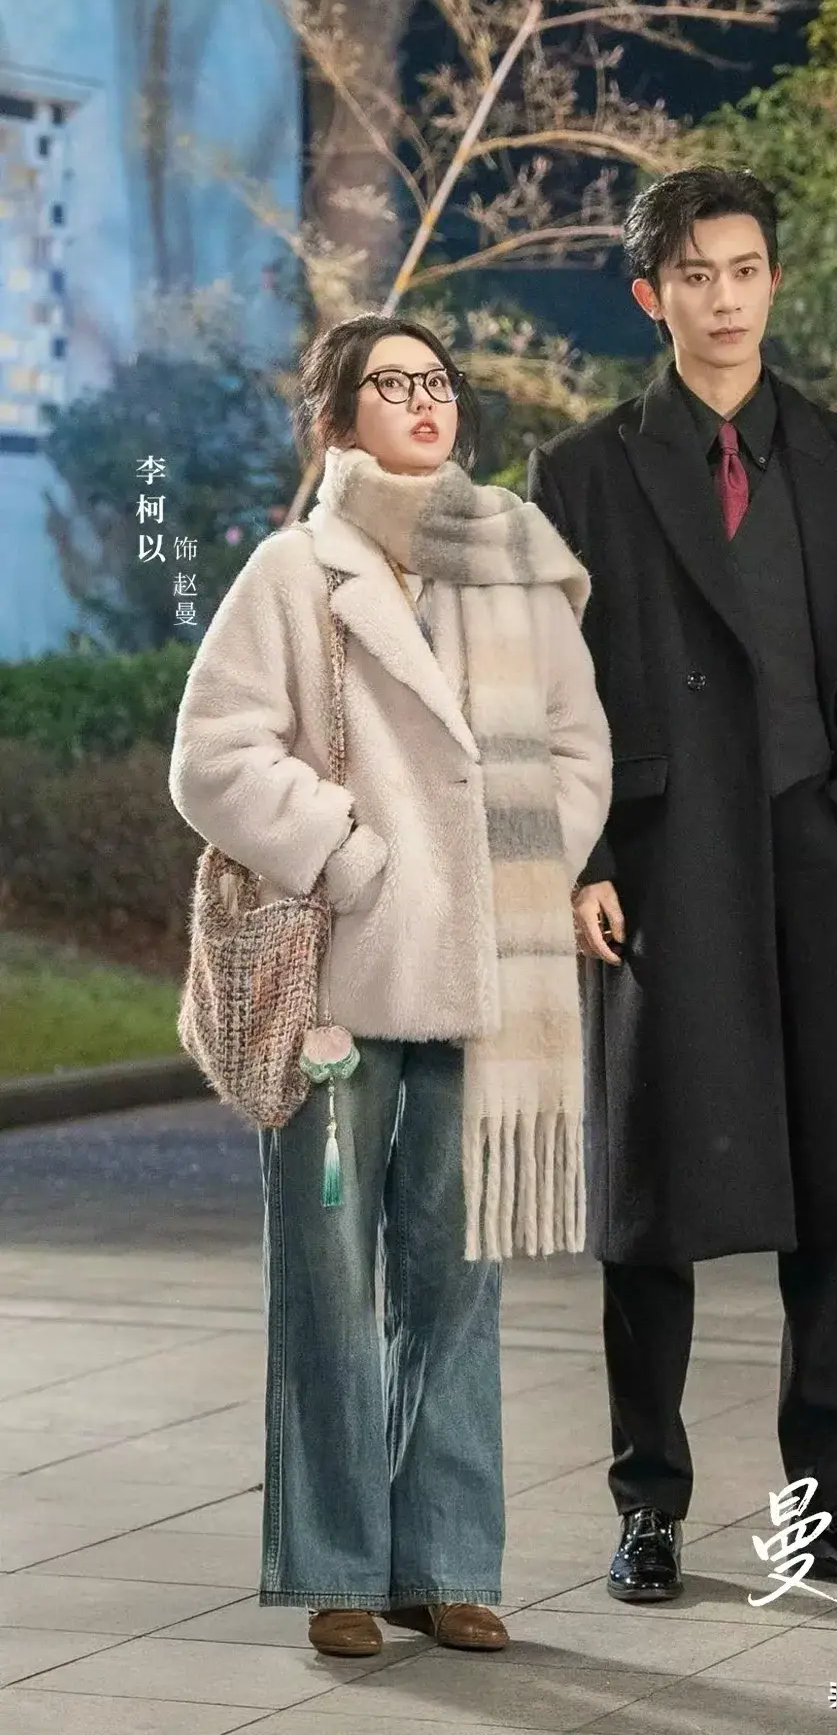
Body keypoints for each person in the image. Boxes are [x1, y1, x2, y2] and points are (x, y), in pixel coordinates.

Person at [527, 166, 837, 1605]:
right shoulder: (581, 474)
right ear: (651, 296)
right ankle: (648, 1504)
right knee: (653, 1206)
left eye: (748, 269)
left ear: (777, 280)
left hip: (821, 863)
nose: (726, 298)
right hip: (661, 874)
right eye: (697, 275)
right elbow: (545, 693)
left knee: (834, 1200)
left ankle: (835, 1510)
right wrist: (584, 859)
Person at [169, 316, 612, 1658]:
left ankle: (448, 1560)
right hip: (339, 993)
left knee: (456, 1280)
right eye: (393, 384)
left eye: (438, 381)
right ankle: (336, 1569)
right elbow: (213, 759)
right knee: (326, 1279)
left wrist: (523, 871)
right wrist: (351, 854)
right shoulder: (293, 571)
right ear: (337, 418)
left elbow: (580, 747)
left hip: (482, 977)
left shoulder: (514, 565)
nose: (426, 401)